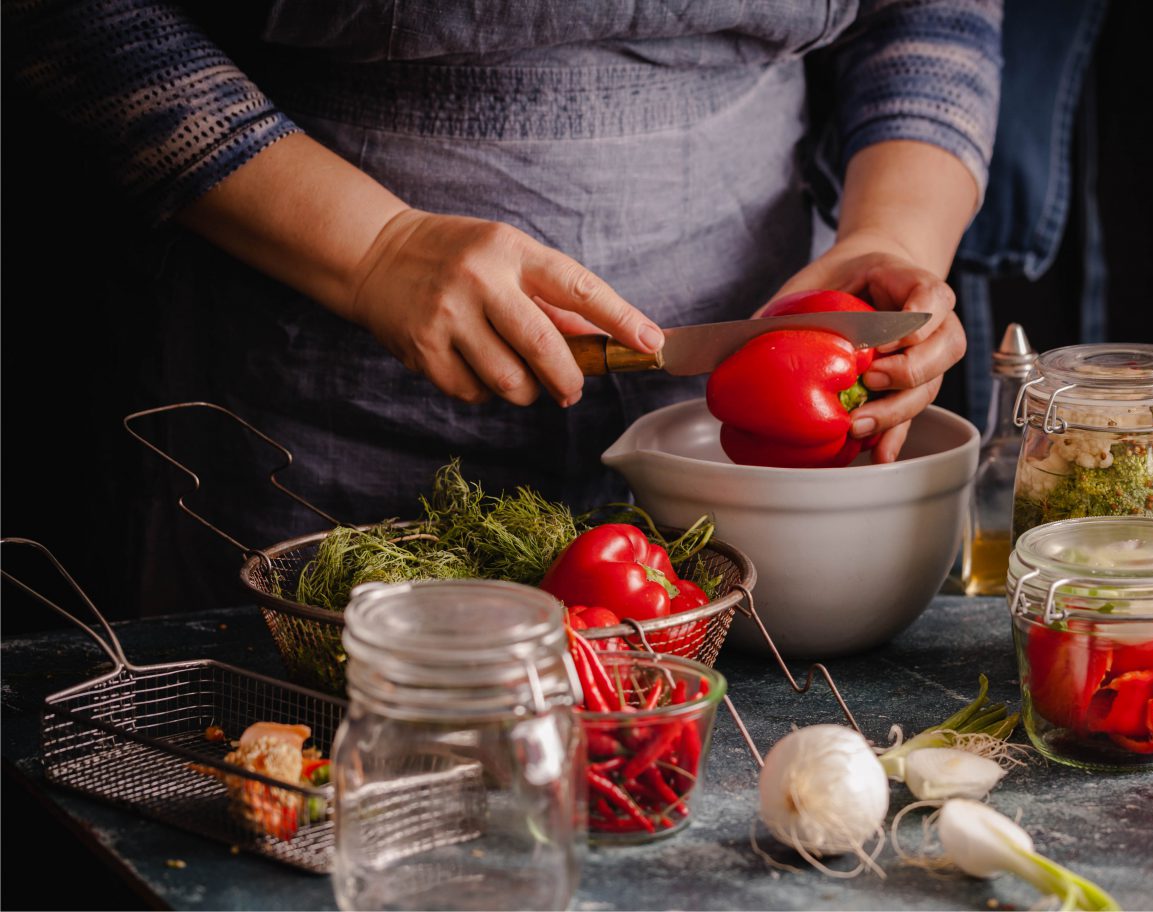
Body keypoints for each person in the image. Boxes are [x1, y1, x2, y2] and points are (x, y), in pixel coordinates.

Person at [5, 0, 1001, 611]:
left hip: (745, 466)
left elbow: (931, 6)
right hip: (319, 405)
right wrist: (373, 249)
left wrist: (891, 238)